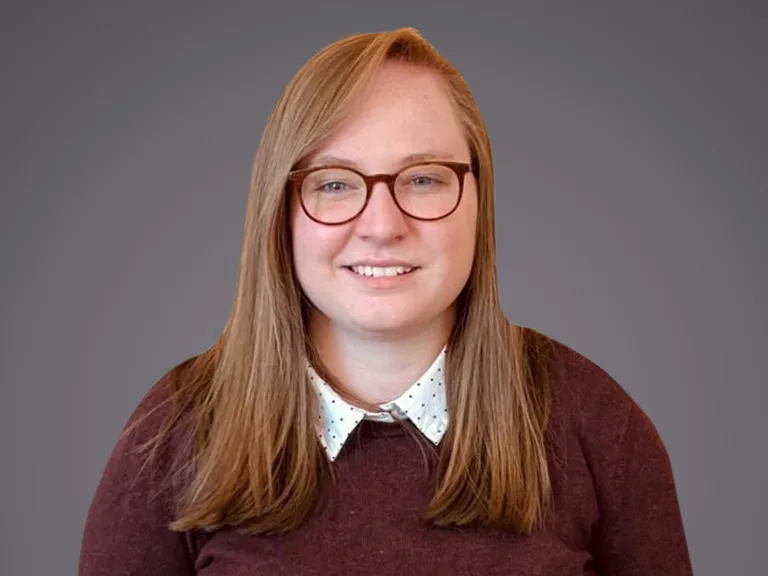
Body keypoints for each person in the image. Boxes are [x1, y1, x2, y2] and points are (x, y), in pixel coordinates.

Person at [79, 28, 693, 575]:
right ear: (282, 210)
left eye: (423, 178)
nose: (381, 224)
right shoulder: (176, 432)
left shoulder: (598, 426)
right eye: (335, 184)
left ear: (479, 200)